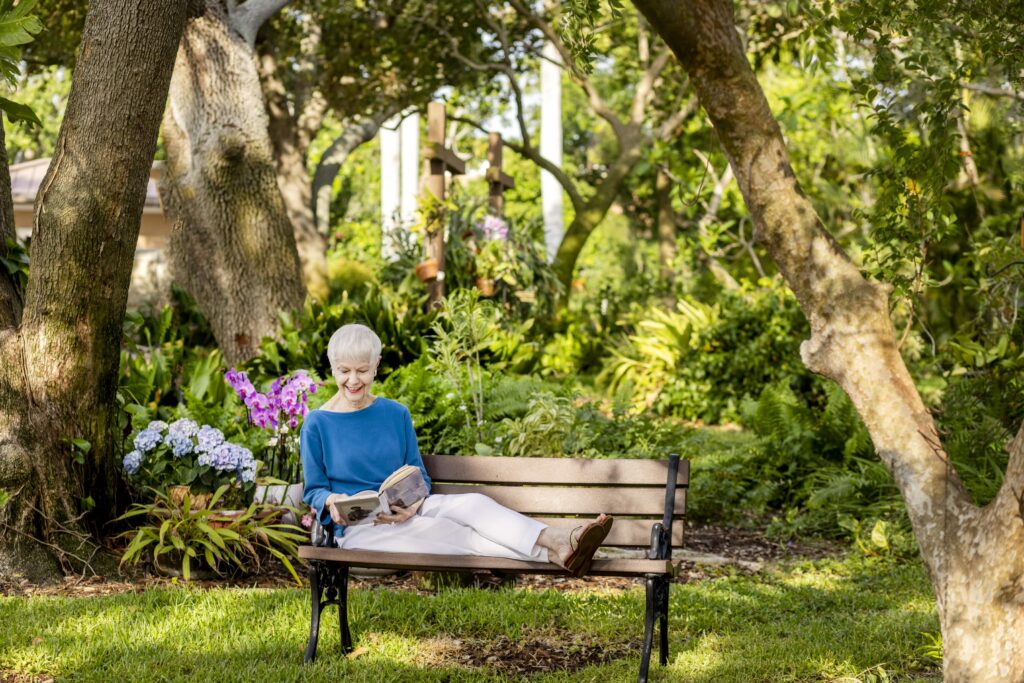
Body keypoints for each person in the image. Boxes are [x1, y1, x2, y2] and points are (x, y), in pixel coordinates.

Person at [301, 323, 613, 577]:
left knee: (474, 505)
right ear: (333, 368)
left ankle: (556, 542)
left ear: (376, 366)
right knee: (451, 534)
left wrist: (412, 505)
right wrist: (332, 500)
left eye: (362, 370)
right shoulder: (317, 423)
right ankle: (556, 550)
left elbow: (418, 475)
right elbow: (314, 490)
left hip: (409, 511)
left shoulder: (396, 414)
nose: (353, 380)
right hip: (361, 530)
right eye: (344, 370)